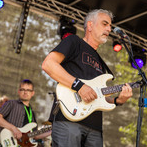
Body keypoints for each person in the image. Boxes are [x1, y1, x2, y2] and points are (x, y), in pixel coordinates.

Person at [42, 9, 133, 147]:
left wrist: (117, 100)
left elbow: (97, 95)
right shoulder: (74, 42)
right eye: (104, 24)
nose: (109, 28)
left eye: (110, 25)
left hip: (95, 128)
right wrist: (79, 86)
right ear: (90, 26)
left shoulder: (101, 63)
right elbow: (48, 64)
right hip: (67, 120)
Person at [0, 79, 51, 145]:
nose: (25, 92)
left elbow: (35, 135)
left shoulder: (32, 113)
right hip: (9, 142)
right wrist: (14, 129)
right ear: (19, 91)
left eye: (28, 90)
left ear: (32, 93)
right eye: (23, 89)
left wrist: (52, 130)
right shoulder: (11, 103)